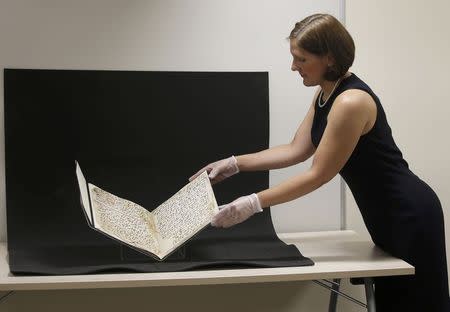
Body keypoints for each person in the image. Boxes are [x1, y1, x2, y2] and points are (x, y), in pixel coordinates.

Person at [189, 13, 449, 311]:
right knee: (391, 301)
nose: (293, 66)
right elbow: (296, 149)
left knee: (417, 303)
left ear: (328, 57)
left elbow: (317, 175)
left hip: (408, 213)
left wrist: (251, 204)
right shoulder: (325, 94)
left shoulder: (351, 102)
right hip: (385, 213)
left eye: (300, 59)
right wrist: (234, 163)